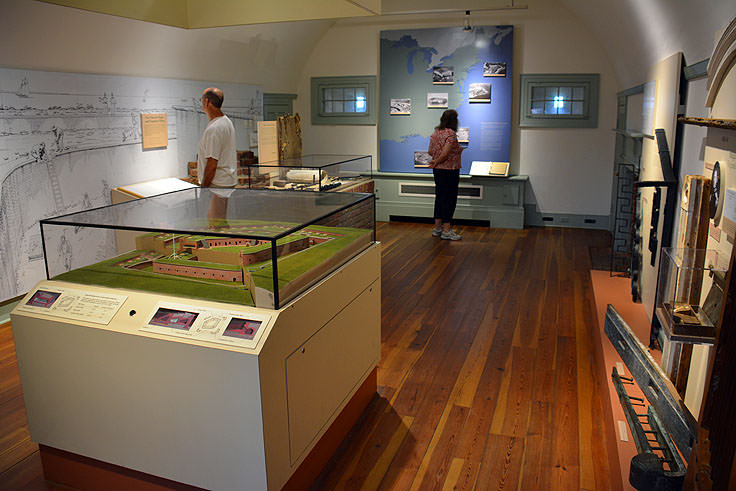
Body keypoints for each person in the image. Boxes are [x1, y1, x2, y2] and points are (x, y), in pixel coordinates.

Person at [428, 109, 463, 240]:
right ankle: (447, 231)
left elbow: (430, 151)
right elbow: (446, 153)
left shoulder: (436, 132)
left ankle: (437, 228)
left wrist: (436, 161)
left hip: (438, 170)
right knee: (449, 199)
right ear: (454, 120)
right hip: (450, 171)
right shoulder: (451, 134)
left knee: (440, 198)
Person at [197, 87, 237, 188]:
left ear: (206, 102)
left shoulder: (215, 128)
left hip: (217, 186)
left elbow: (212, 164)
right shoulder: (226, 121)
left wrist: (204, 189)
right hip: (227, 182)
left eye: (202, 100)